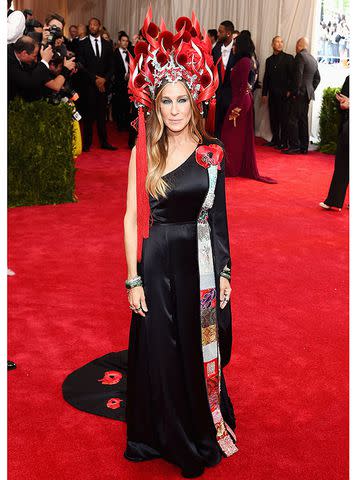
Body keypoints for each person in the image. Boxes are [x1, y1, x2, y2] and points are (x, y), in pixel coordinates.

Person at [63, 11, 238, 478]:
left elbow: (218, 219)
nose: (176, 109)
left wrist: (224, 271)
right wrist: (133, 278)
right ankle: (158, 434)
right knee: (161, 351)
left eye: (183, 99)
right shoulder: (146, 153)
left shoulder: (212, 152)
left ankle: (200, 430)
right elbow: (128, 217)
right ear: (155, 106)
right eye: (167, 101)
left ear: (194, 101)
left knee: (198, 350)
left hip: (199, 262)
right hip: (157, 262)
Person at [221, 34, 276, 183]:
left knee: (231, 135)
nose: (233, 47)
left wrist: (237, 108)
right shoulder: (241, 61)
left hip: (240, 102)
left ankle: (232, 167)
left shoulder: (245, 62)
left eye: (235, 44)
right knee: (234, 135)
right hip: (239, 100)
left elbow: (245, 86)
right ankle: (233, 166)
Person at [77, 17, 117, 151]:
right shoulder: (83, 44)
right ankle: (86, 144)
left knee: (101, 115)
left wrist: (104, 79)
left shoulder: (107, 44)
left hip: (103, 86)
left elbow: (112, 66)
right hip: (89, 85)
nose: (92, 27)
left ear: (99, 27)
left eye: (95, 25)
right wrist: (95, 79)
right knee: (88, 116)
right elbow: (81, 66)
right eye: (90, 25)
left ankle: (104, 142)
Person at [284, 37, 320, 155]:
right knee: (303, 120)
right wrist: (310, 89)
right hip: (307, 94)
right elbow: (317, 78)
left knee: (292, 120)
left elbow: (298, 76)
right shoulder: (313, 59)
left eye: (296, 45)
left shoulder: (300, 56)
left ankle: (294, 146)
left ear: (299, 45)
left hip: (299, 93)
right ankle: (304, 147)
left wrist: (294, 92)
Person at [319, 76, 349, 211]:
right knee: (342, 162)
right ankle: (334, 200)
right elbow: (343, 102)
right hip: (347, 125)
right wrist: (343, 102)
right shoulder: (351, 78)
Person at [8, 36, 64, 102]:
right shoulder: (8, 61)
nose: (35, 60)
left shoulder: (13, 51)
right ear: (24, 53)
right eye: (34, 56)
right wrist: (45, 61)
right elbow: (29, 82)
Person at [262, 36, 295, 150]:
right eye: (277, 41)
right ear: (272, 44)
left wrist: (290, 90)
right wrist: (264, 94)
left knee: (284, 119)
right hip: (272, 94)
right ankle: (275, 139)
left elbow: (293, 77)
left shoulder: (289, 58)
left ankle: (284, 142)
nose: (280, 44)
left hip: (284, 95)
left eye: (281, 42)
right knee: (273, 118)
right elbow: (266, 78)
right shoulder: (269, 60)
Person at [212, 20, 236, 138]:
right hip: (217, 93)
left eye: (220, 32)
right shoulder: (215, 49)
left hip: (231, 93)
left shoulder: (237, 50)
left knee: (230, 125)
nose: (218, 34)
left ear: (228, 33)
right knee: (217, 123)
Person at [112, 33, 131, 131]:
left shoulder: (130, 53)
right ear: (119, 42)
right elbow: (114, 69)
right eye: (123, 40)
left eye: (127, 41)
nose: (125, 43)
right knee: (119, 104)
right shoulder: (115, 54)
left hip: (129, 84)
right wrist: (124, 75)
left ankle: (127, 125)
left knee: (128, 105)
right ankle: (120, 125)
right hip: (119, 83)